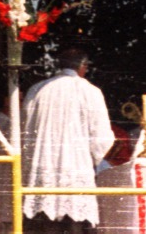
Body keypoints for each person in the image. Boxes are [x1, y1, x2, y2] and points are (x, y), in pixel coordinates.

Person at [21, 47, 116, 234]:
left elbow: (25, 132)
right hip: (75, 172)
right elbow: (102, 138)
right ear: (83, 67)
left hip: (42, 173)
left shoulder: (37, 90)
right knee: (74, 226)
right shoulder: (91, 92)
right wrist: (92, 161)